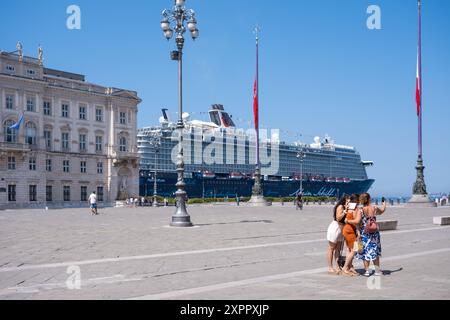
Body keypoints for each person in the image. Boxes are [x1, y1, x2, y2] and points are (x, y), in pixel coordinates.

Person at [356, 193, 386, 276]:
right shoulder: (374, 208)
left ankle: (367, 271)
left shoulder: (361, 210)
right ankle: (377, 271)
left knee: (365, 251)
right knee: (375, 252)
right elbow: (382, 211)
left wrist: (358, 233)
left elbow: (358, 222)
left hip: (364, 234)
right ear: (369, 199)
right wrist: (384, 204)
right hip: (374, 234)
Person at [326, 195, 349, 274]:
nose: (348, 202)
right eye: (347, 201)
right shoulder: (340, 207)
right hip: (335, 227)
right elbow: (338, 218)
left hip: (341, 228)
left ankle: (337, 266)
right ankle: (330, 267)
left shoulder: (346, 207)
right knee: (331, 248)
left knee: (338, 249)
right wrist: (345, 211)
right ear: (344, 200)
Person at [341, 194, 362, 276]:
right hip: (351, 230)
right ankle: (345, 267)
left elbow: (349, 218)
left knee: (349, 250)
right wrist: (359, 232)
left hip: (346, 230)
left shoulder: (349, 207)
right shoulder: (356, 209)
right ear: (357, 200)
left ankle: (350, 267)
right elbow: (356, 221)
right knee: (355, 249)